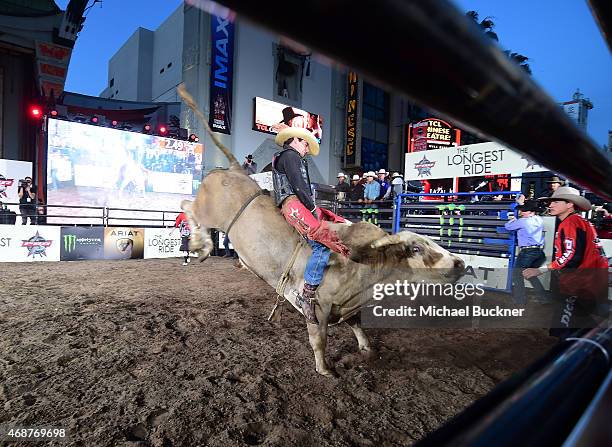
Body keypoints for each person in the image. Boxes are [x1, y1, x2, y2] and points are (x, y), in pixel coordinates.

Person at [272, 126, 350, 324]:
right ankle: (307, 295)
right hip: (294, 204)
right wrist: (312, 207)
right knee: (322, 243)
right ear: (295, 139)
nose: (307, 148)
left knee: (326, 233)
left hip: (293, 203)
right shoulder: (291, 156)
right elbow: (298, 185)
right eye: (306, 144)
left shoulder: (288, 157)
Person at [523, 187, 608, 337]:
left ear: (570, 204)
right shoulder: (581, 221)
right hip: (593, 279)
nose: (550, 205)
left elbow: (571, 256)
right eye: (550, 202)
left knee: (567, 326)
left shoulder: (570, 223)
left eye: (556, 201)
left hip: (580, 282)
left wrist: (540, 270)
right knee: (583, 321)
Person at [504, 200, 546, 304]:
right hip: (539, 252)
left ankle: (520, 300)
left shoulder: (523, 221)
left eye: (524, 210)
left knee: (517, 275)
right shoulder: (539, 219)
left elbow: (507, 227)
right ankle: (543, 298)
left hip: (527, 252)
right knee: (530, 274)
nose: (522, 212)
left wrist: (512, 220)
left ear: (531, 211)